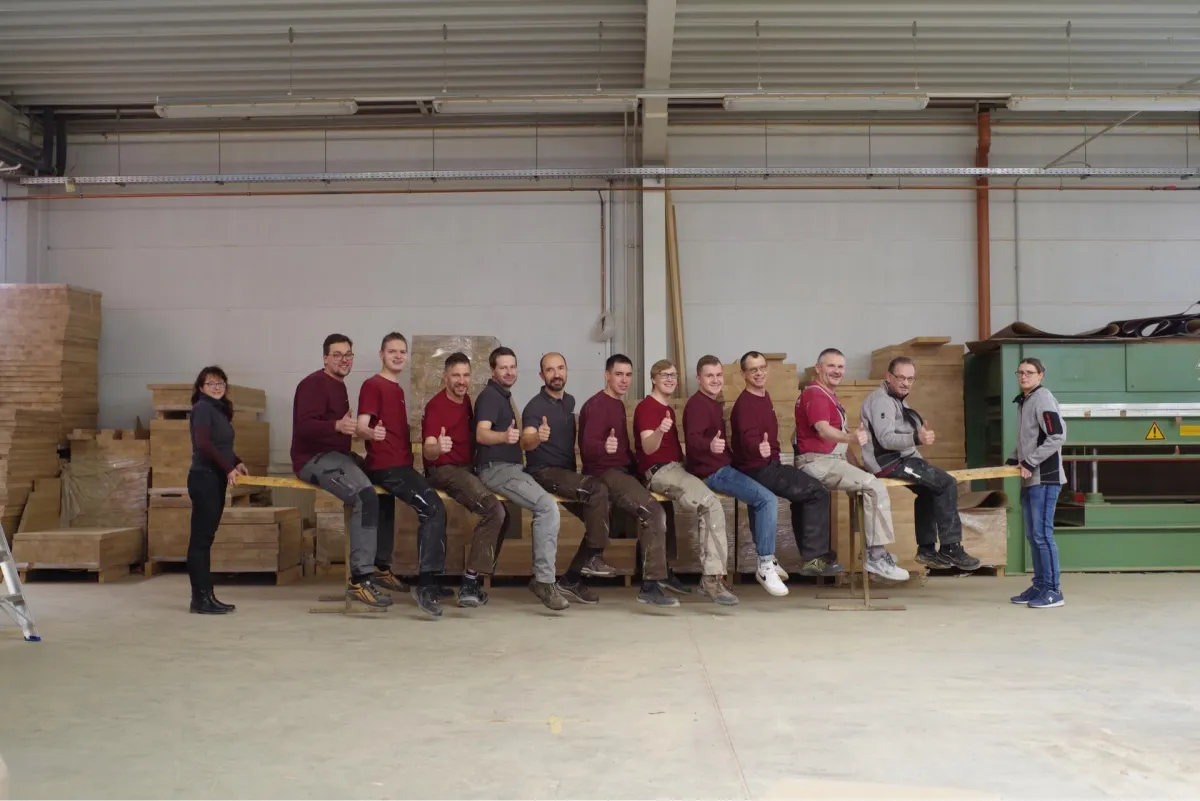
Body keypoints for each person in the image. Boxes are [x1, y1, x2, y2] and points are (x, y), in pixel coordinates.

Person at [292, 334, 392, 609]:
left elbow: (338, 429)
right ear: (325, 358)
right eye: (337, 355)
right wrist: (336, 426)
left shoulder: (339, 386)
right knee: (365, 496)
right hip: (312, 460)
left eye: (348, 355)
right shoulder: (313, 384)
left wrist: (360, 431)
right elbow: (304, 426)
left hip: (337, 456)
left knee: (387, 481)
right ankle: (360, 580)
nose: (344, 360)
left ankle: (381, 567)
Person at [795, 349, 909, 582]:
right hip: (818, 462)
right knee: (874, 488)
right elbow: (823, 430)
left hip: (831, 460)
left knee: (866, 486)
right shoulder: (816, 395)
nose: (837, 371)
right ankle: (876, 556)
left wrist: (860, 468)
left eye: (840, 367)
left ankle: (870, 552)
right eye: (831, 366)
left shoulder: (830, 396)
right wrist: (851, 438)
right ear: (818, 368)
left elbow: (842, 446)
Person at [357, 332, 450, 618]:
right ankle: (426, 585)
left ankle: (383, 569)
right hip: (386, 467)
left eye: (402, 352)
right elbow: (361, 426)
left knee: (398, 513)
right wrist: (371, 433)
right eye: (392, 351)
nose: (398, 356)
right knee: (433, 509)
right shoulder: (373, 385)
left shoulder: (396, 389)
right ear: (381, 355)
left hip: (401, 465)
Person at [860, 357, 980, 571]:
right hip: (889, 462)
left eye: (910, 379)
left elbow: (907, 443)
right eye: (901, 378)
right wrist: (917, 438)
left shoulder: (898, 400)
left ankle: (926, 550)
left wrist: (921, 460)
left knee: (930, 490)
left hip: (902, 459)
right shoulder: (882, 401)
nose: (905, 383)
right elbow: (886, 439)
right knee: (947, 483)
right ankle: (951, 548)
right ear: (888, 377)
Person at [578, 354, 679, 608]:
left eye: (628, 375)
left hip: (622, 470)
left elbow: (624, 450)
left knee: (663, 503)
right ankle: (650, 586)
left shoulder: (618, 405)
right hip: (605, 473)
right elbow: (587, 448)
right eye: (618, 374)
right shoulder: (596, 405)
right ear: (607, 375)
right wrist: (604, 446)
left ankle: (659, 570)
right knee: (652, 510)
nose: (624, 380)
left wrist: (639, 469)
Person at [636, 359, 739, 605]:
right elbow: (648, 448)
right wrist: (660, 431)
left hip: (676, 469)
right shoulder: (646, 407)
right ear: (653, 379)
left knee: (709, 498)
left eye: (673, 375)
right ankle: (712, 579)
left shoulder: (668, 410)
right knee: (710, 504)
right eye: (664, 375)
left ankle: (675, 575)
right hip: (661, 471)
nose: (670, 379)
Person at [684, 355, 789, 597]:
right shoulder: (697, 405)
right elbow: (692, 441)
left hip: (724, 467)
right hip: (713, 473)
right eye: (709, 376)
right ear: (699, 378)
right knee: (767, 499)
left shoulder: (713, 403)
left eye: (718, 375)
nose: (715, 380)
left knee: (760, 494)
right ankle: (765, 564)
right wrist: (709, 446)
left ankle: (767, 558)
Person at [730, 351, 841, 577]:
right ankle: (814, 559)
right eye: (753, 370)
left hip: (771, 464)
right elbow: (748, 437)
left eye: (762, 368)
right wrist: (757, 448)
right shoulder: (745, 405)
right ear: (743, 374)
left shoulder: (763, 396)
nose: (759, 373)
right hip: (758, 469)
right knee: (817, 492)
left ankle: (811, 556)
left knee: (806, 492)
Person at [474, 346, 568, 611]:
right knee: (547, 507)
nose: (509, 371)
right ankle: (544, 581)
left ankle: (478, 579)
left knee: (545, 505)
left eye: (512, 367)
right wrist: (504, 437)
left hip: (513, 468)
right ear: (493, 371)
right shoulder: (490, 397)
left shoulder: (503, 396)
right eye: (503, 367)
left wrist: (535, 437)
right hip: (497, 469)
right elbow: (481, 433)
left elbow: (524, 442)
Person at [521, 352, 618, 605]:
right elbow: (526, 440)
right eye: (550, 370)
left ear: (566, 371)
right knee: (597, 489)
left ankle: (572, 578)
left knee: (603, 514)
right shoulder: (534, 407)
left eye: (560, 368)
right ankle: (593, 557)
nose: (556, 374)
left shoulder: (570, 401)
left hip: (566, 473)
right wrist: (536, 437)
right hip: (543, 472)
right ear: (541, 375)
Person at [421, 351, 507, 609]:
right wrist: (438, 448)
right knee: (494, 511)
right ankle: (469, 583)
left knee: (506, 515)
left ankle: (476, 580)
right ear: (445, 377)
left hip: (466, 468)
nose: (461, 380)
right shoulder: (436, 406)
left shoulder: (466, 401)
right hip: (444, 469)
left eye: (465, 375)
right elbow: (428, 449)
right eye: (455, 375)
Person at [1007, 358, 1067, 609]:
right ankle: (1040, 585)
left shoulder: (1042, 399)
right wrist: (1014, 458)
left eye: (1029, 372)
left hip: (1045, 478)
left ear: (1041, 375)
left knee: (1042, 536)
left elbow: (1057, 436)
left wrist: (1030, 462)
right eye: (1020, 372)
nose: (1024, 376)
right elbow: (1029, 438)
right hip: (1031, 478)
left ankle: (1053, 591)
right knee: (1033, 536)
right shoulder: (1026, 400)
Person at [186, 365, 245, 615]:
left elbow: (220, 446)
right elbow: (203, 445)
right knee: (201, 541)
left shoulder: (218, 411)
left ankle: (207, 595)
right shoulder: (202, 408)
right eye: (211, 383)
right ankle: (200, 598)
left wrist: (236, 461)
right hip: (204, 478)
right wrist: (227, 468)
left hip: (214, 478)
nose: (217, 387)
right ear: (201, 388)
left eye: (221, 383)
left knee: (206, 539)